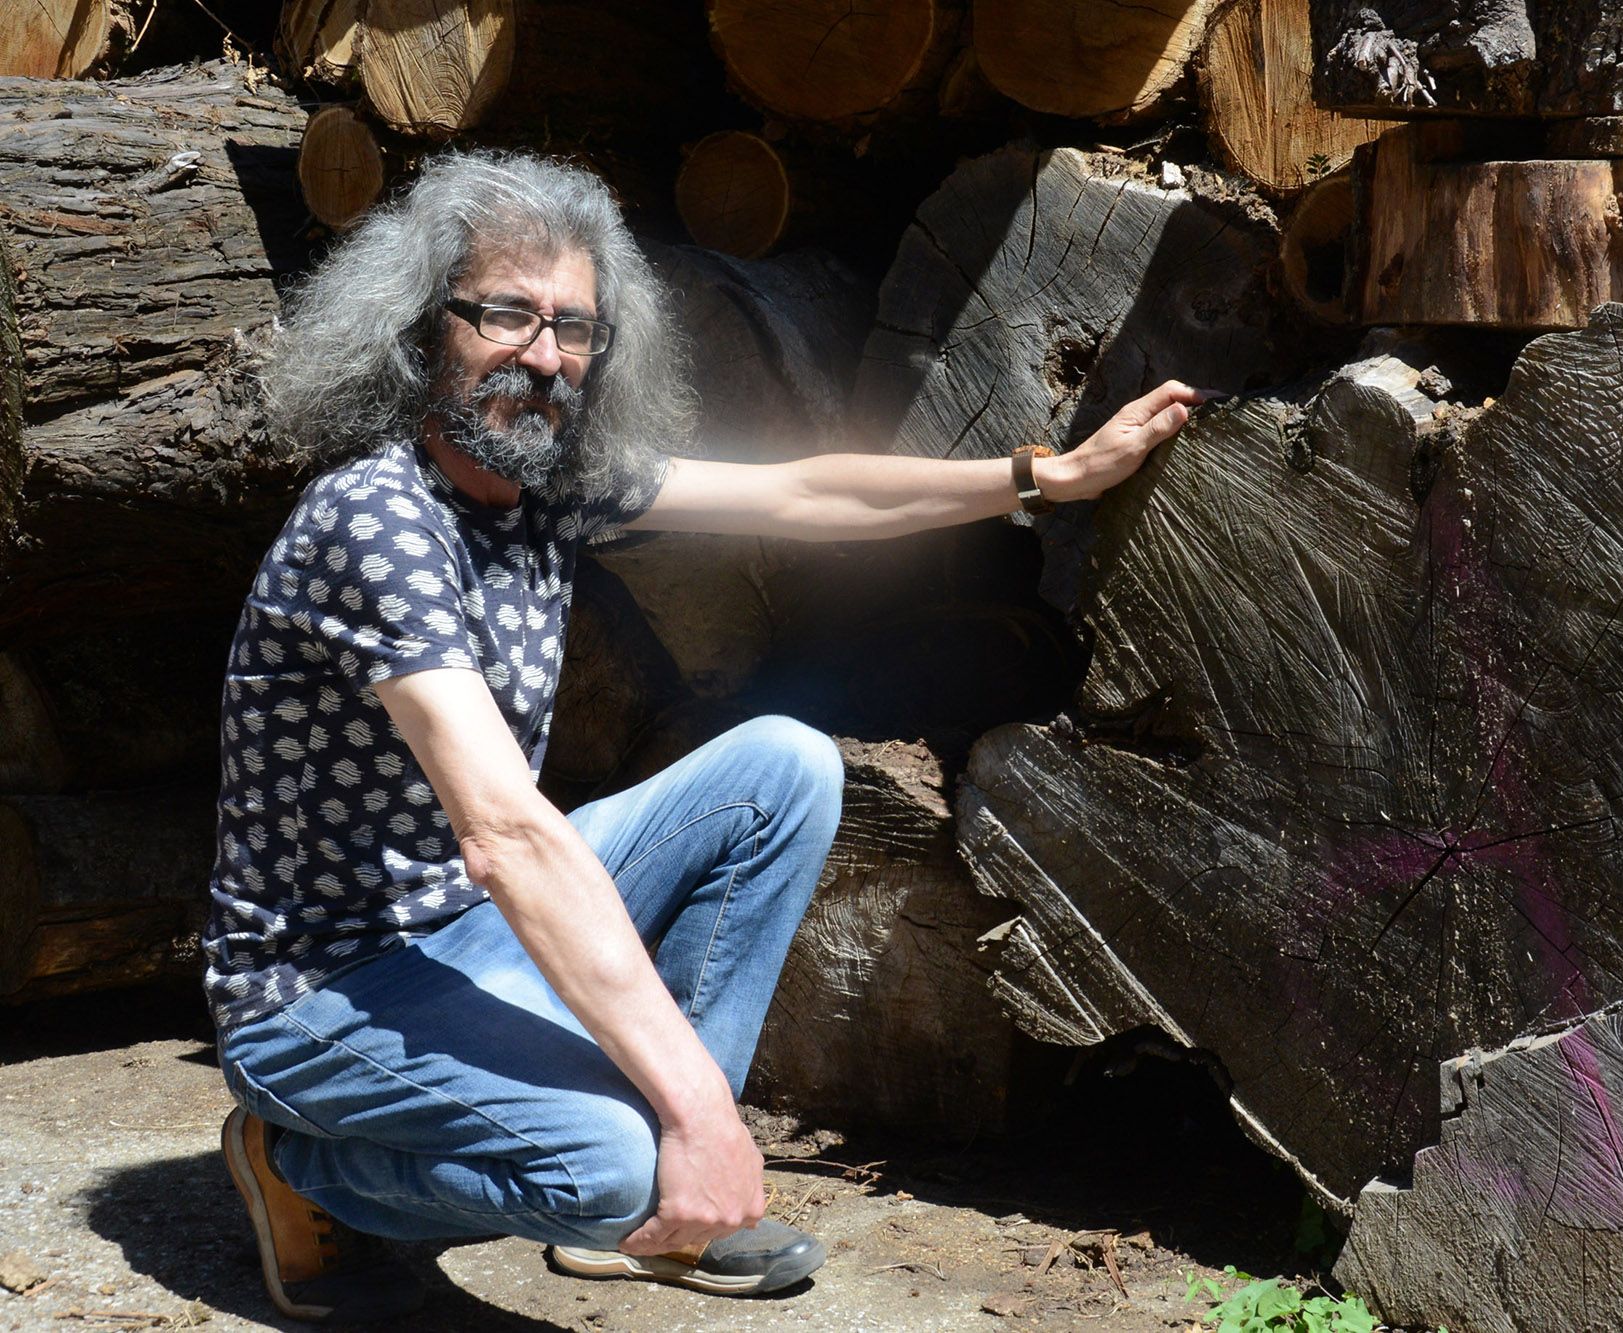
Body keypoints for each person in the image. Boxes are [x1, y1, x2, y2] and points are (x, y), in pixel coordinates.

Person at [203, 149, 1205, 1323]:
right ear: (426, 327)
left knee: (778, 764)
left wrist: (1046, 476)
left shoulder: (538, 481)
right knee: (606, 1165)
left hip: (458, 939)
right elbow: (509, 837)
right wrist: (697, 1114)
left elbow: (800, 498)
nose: (541, 353)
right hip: (320, 996)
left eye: (573, 328)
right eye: (505, 314)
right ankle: (300, 1161)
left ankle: (663, 1199)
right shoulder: (375, 523)